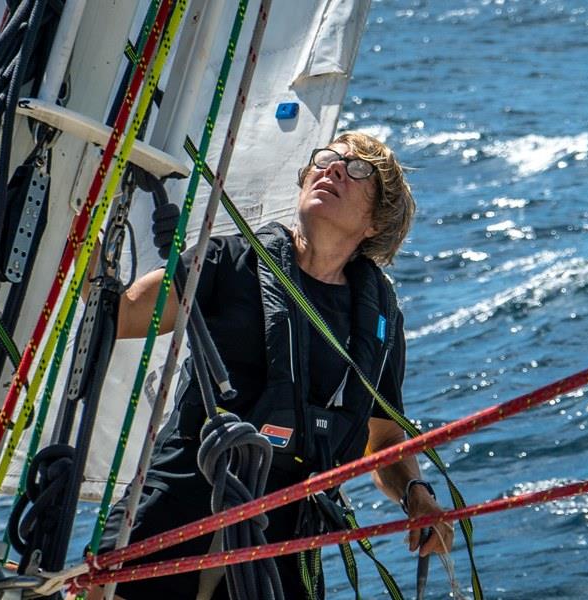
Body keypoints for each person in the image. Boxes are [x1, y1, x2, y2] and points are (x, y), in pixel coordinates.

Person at [85, 132, 453, 600]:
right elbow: (121, 313)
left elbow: (382, 440)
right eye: (325, 160)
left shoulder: (378, 318)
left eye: (357, 170)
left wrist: (416, 496)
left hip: (285, 540)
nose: (334, 169)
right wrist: (79, 224)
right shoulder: (228, 262)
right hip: (176, 508)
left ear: (377, 223)